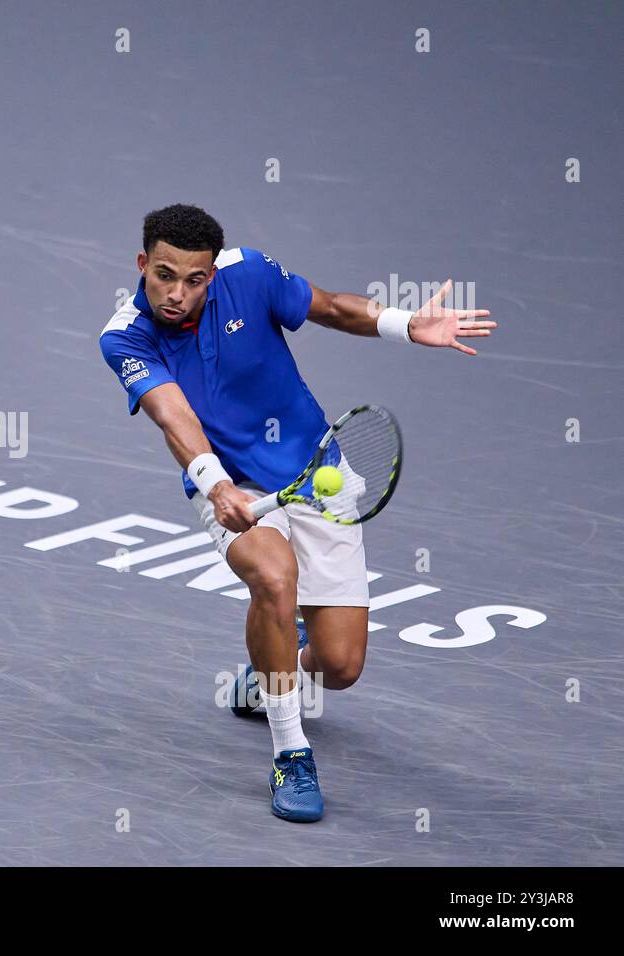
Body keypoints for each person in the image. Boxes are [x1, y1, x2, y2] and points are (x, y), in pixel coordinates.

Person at [98, 204, 496, 822]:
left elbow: (332, 307)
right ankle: (292, 753)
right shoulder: (124, 336)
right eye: (165, 275)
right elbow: (172, 413)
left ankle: (267, 677)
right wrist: (214, 482)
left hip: (316, 473)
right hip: (233, 484)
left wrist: (404, 323)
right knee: (274, 578)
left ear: (213, 274)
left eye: (195, 280)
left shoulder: (250, 274)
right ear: (142, 264)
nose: (177, 294)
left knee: (339, 667)